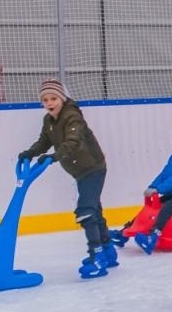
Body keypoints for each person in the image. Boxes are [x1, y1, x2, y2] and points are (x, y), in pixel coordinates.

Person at [19, 80, 115, 279]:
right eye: (45, 100)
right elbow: (44, 142)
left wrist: (55, 157)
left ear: (61, 99)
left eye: (53, 98)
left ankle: (96, 258)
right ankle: (108, 252)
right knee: (94, 209)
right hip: (79, 171)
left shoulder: (72, 117)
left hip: (93, 167)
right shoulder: (49, 120)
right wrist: (30, 153)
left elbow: (74, 142)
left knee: (86, 212)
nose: (49, 103)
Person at [112, 125, 172, 254]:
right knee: (150, 209)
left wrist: (159, 189)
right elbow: (164, 174)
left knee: (166, 208)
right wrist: (153, 186)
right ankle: (123, 233)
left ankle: (153, 236)